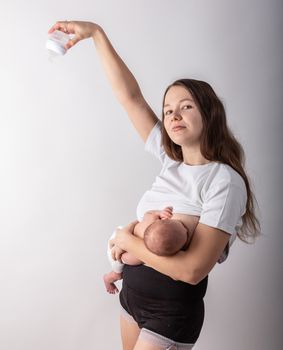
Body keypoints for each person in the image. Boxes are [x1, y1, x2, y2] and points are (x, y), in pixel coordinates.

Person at [48, 21, 261, 350]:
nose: (174, 115)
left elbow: (191, 271)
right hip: (130, 300)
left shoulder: (224, 180)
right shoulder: (170, 162)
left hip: (170, 313)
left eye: (186, 107)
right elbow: (130, 99)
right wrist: (96, 35)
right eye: (168, 110)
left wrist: (126, 242)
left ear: (210, 114)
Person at [104, 206, 198, 294]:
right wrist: (121, 245)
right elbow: (123, 258)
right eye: (182, 225)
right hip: (115, 243)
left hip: (123, 233)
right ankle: (112, 276)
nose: (186, 230)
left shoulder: (153, 221)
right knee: (117, 262)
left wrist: (160, 213)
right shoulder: (138, 257)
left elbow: (148, 213)